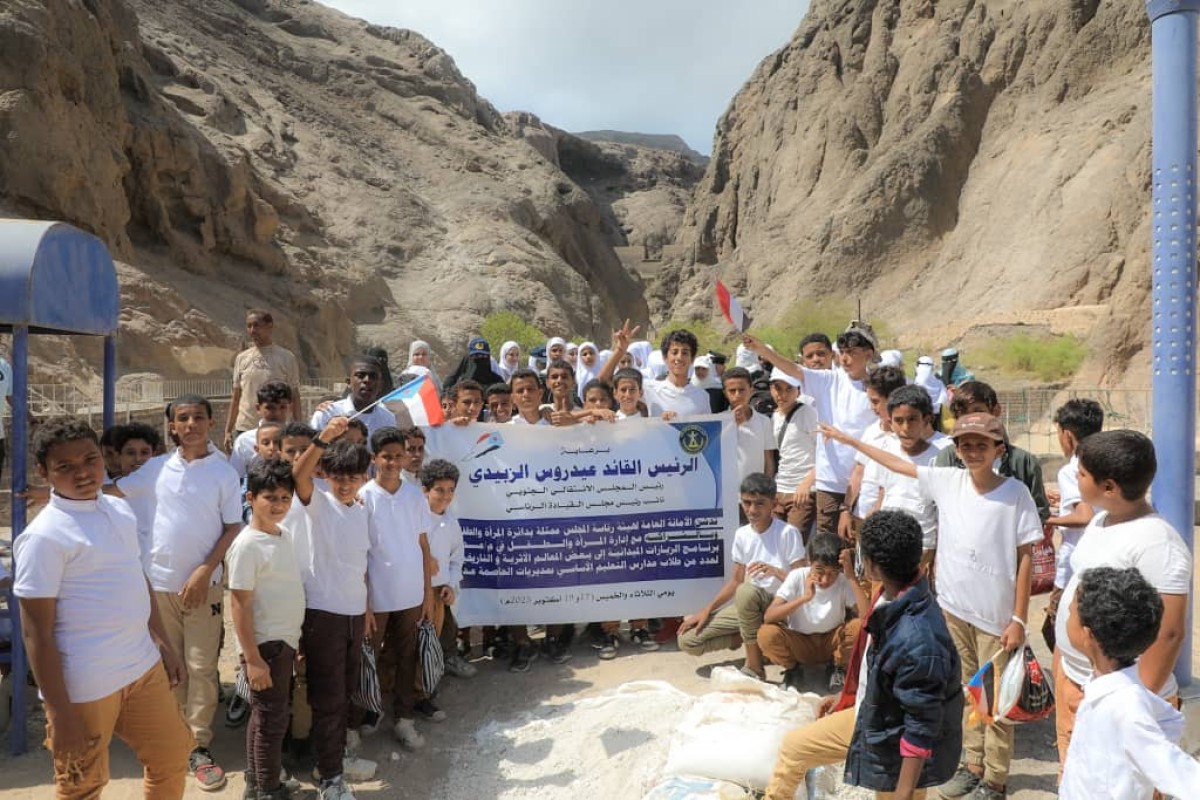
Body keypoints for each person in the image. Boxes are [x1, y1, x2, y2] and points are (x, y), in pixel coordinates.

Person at [822, 413, 1041, 800]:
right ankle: (973, 764)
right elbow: (896, 464)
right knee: (966, 695)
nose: (973, 452)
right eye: (965, 445)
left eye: (981, 445)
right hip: (954, 611)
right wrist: (853, 443)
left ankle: (995, 779)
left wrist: (1020, 618)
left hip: (997, 617)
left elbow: (1026, 558)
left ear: (999, 450)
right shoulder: (947, 480)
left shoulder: (1015, 493)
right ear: (956, 451)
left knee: (996, 702)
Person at [15, 418, 194, 799]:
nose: (82, 473)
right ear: (43, 472)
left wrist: (162, 642)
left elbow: (137, 579)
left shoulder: (119, 510)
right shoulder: (43, 537)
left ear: (103, 458)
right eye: (65, 467)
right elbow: (36, 633)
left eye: (90, 460)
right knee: (82, 783)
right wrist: (61, 715)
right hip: (85, 685)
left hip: (141, 669)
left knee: (173, 757)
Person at [765, 511, 962, 800]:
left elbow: (922, 722)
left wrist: (904, 791)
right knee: (794, 747)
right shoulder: (895, 596)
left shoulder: (918, 635)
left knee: (796, 749)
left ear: (870, 564)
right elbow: (880, 667)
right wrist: (852, 695)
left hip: (897, 739)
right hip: (878, 715)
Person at [106, 395, 243, 791]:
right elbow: (111, 493)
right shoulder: (154, 469)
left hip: (203, 586)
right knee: (171, 667)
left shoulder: (223, 472)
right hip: (159, 585)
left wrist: (204, 570)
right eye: (183, 418)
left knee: (200, 666)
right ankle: (176, 738)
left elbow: (232, 527)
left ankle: (198, 745)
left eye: (198, 417)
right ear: (172, 427)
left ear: (212, 422)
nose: (191, 424)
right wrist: (50, 495)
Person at [1051, 431, 1191, 766]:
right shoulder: (1101, 520)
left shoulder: (1158, 544)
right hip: (1079, 682)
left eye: (1082, 474)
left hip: (1116, 699)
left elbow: (1169, 634)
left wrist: (1133, 703)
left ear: (1109, 487)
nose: (1076, 477)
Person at [1059, 567, 1200, 799]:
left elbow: (1179, 772)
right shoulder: (1110, 688)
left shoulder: (1126, 707)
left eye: (1070, 612)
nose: (1067, 617)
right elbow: (1169, 718)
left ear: (1088, 635)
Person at [292, 418, 377, 798]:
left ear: (364, 477)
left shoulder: (360, 510)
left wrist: (367, 608)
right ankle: (330, 779)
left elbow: (360, 566)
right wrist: (323, 439)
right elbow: (297, 475)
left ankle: (334, 760)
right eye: (338, 476)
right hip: (323, 615)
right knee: (327, 699)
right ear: (326, 475)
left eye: (353, 476)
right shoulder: (318, 505)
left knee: (345, 694)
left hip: (354, 616)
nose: (345, 484)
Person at [745, 326, 877, 534]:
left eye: (852, 352)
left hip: (866, 477)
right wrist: (762, 350)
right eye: (842, 353)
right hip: (830, 481)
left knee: (859, 540)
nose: (845, 358)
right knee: (827, 543)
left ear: (868, 354)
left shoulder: (876, 387)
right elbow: (793, 370)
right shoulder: (828, 380)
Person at [227, 459, 305, 800]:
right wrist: (253, 658)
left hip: (283, 641)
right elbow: (239, 605)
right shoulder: (247, 545)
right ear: (250, 498)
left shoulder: (281, 534)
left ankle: (256, 781)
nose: (278, 505)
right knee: (272, 721)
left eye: (285, 498)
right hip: (265, 647)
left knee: (265, 717)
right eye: (270, 498)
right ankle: (268, 790)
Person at [677, 473, 806, 679]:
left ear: (774, 503)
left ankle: (754, 666)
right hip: (748, 609)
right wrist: (706, 610)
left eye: (759, 504)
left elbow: (802, 581)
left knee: (746, 592)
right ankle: (750, 638)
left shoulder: (787, 533)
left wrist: (775, 571)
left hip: (778, 608)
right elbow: (736, 581)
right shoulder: (742, 534)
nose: (752, 510)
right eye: (747, 503)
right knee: (688, 640)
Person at [359, 426, 436, 746]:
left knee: (407, 657)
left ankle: (404, 718)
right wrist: (363, 604)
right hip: (375, 596)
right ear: (374, 458)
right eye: (385, 457)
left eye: (398, 456)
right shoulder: (363, 497)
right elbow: (359, 552)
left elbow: (423, 544)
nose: (392, 462)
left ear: (407, 457)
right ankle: (363, 717)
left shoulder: (414, 495)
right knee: (368, 657)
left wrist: (428, 594)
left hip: (411, 593)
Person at [761, 532, 866, 692]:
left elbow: (866, 618)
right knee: (766, 634)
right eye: (819, 571)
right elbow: (769, 616)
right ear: (809, 562)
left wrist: (851, 576)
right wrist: (804, 598)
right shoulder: (797, 576)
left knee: (858, 626)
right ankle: (794, 670)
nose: (825, 580)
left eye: (832, 573)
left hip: (831, 643)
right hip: (801, 643)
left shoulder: (843, 580)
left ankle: (838, 668)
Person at [932, 381, 1050, 521]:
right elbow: (938, 507)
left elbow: (1038, 511)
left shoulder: (1024, 462)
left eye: (978, 411)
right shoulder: (947, 459)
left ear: (996, 411)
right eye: (963, 414)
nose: (972, 420)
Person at [874, 386, 952, 580]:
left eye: (912, 420)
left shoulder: (940, 457)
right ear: (889, 421)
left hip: (922, 544)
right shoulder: (887, 448)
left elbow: (943, 509)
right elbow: (884, 490)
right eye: (898, 421)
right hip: (886, 540)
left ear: (926, 420)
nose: (905, 428)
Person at [1041, 399, 1103, 639]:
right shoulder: (1101, 461)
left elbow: (1083, 515)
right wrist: (1064, 504)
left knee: (1054, 630)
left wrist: (1048, 519)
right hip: (1097, 558)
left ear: (1067, 435)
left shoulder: (1071, 470)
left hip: (1073, 561)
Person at [420, 459, 478, 679]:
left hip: (439, 591)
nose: (445, 495)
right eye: (439, 490)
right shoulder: (415, 516)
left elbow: (456, 558)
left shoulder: (451, 521)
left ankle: (439, 671)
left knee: (443, 634)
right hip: (415, 593)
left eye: (451, 490)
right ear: (425, 490)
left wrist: (451, 584)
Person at [843, 366, 907, 541]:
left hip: (888, 523)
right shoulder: (871, 431)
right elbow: (858, 472)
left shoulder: (905, 439)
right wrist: (846, 510)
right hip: (861, 516)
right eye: (870, 401)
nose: (872, 407)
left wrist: (878, 508)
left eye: (876, 401)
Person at [225, 309, 302, 452]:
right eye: (249, 326)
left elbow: (295, 395)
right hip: (246, 428)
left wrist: (299, 429)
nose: (252, 330)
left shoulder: (286, 358)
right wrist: (228, 430)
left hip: (277, 429)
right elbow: (236, 396)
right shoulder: (242, 358)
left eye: (256, 325)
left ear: (269, 326)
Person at [769, 368, 818, 537]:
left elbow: (824, 453)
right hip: (779, 490)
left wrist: (807, 484)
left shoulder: (808, 413)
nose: (782, 394)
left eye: (788, 388)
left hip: (802, 492)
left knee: (793, 542)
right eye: (778, 388)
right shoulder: (774, 417)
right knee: (773, 540)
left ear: (798, 390)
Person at [311, 356, 397, 443]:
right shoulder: (326, 414)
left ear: (381, 385)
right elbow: (311, 451)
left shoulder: (389, 420)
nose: (367, 380)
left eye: (373, 376)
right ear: (348, 382)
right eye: (360, 375)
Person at [110, 422, 163, 565]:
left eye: (145, 452)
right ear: (118, 456)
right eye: (130, 453)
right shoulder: (105, 494)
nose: (138, 459)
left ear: (154, 455)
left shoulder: (162, 485)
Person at [230, 381, 294, 479]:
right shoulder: (244, 441)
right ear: (258, 408)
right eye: (270, 408)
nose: (277, 413)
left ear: (290, 407)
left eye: (282, 407)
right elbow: (236, 478)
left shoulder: (297, 438)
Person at [722, 366, 776, 480]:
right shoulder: (718, 422)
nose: (737, 395)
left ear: (751, 390)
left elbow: (769, 460)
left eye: (742, 390)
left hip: (756, 492)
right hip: (726, 493)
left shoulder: (764, 422)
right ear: (725, 393)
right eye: (732, 391)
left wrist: (766, 489)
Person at [645, 329, 709, 418]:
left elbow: (708, 430)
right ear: (665, 357)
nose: (679, 357)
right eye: (674, 352)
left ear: (692, 358)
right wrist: (620, 351)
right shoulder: (650, 390)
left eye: (685, 353)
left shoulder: (702, 397)